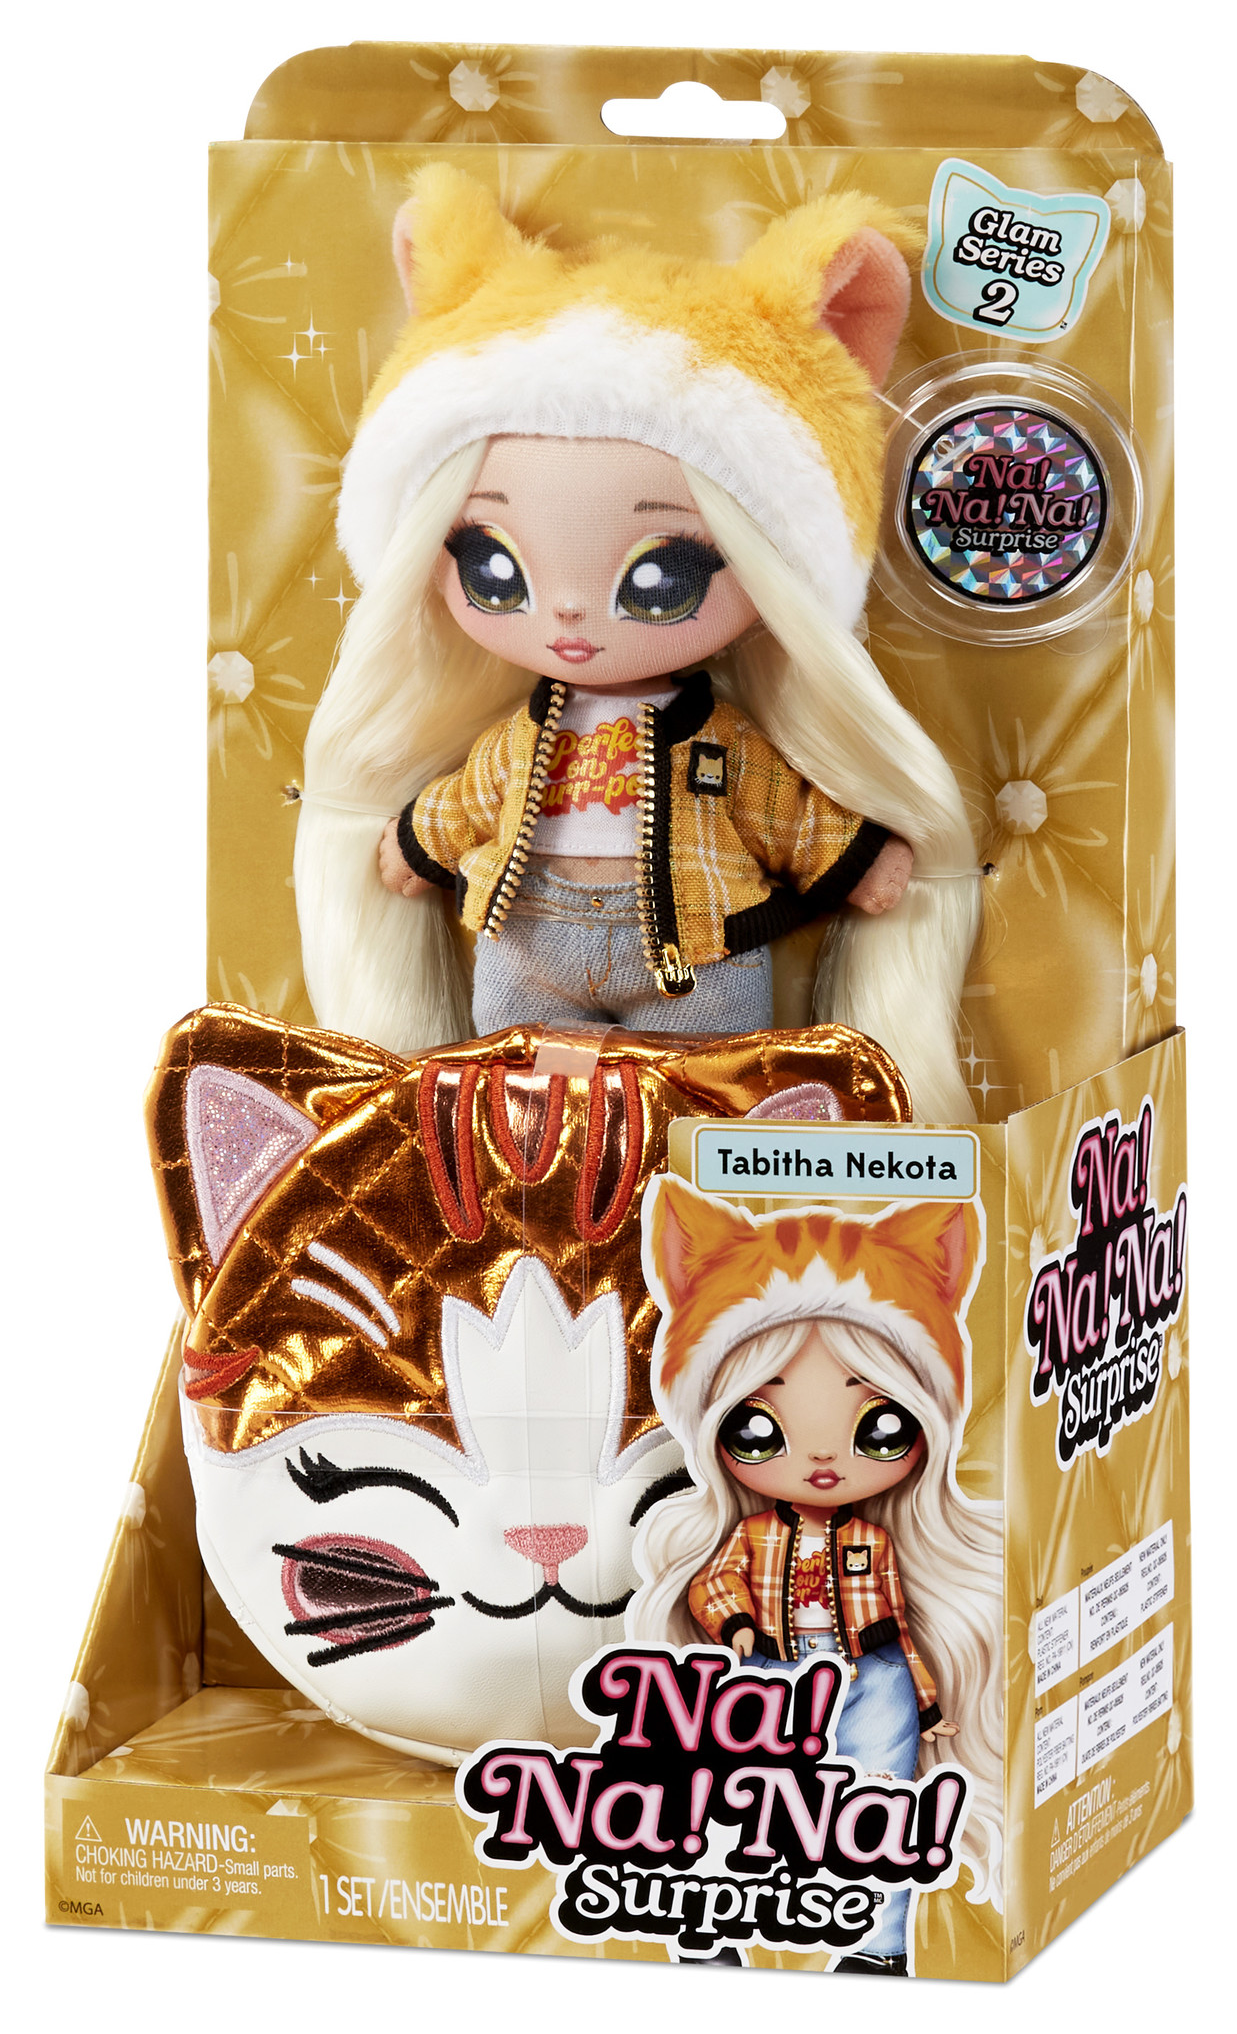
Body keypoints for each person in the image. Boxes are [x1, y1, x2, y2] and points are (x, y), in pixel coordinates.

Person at [294, 165, 982, 1124]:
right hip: (528, 942)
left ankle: (694, 1186)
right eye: (493, 568)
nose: (569, 619)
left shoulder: (724, 743)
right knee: (520, 1104)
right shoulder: (516, 742)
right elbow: (476, 797)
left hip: (692, 956)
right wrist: (419, 840)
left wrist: (856, 859)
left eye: (664, 576)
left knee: (701, 1097)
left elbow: (780, 812)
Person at [629, 1176, 1003, 1971]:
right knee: (737, 1799)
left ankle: (875, 1948)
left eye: (880, 1426)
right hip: (767, 1671)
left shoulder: (873, 1542)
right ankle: (712, 1923)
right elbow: (714, 1583)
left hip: (871, 1673)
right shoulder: (752, 1535)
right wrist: (735, 1627)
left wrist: (928, 1699)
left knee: (881, 1811)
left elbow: (899, 1622)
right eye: (758, 1429)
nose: (825, 1458)